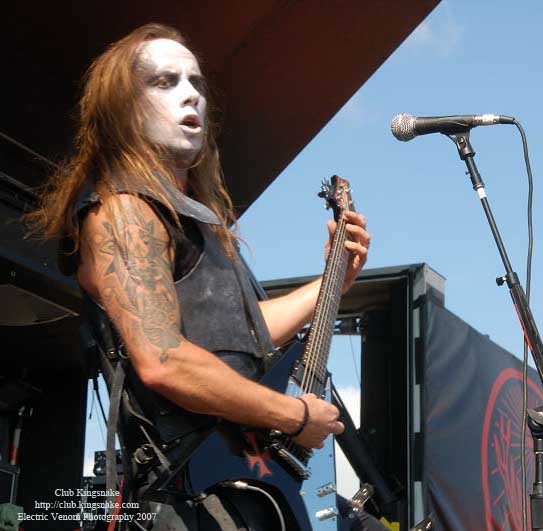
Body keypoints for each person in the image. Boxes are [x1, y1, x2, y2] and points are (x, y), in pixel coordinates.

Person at [28, 24, 371, 530]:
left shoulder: (197, 222)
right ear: (123, 109)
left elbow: (245, 337)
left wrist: (333, 283)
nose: (190, 94)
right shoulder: (124, 212)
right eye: (164, 82)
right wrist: (294, 416)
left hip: (247, 482)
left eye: (196, 82)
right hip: (195, 497)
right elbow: (164, 360)